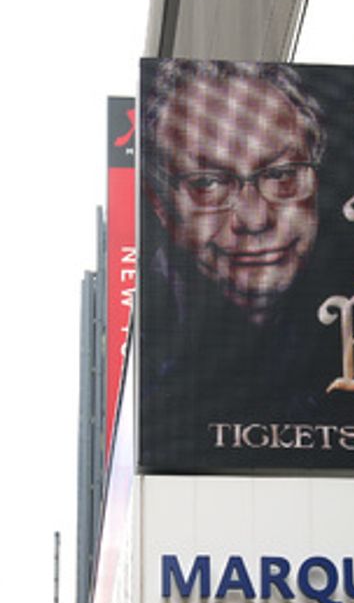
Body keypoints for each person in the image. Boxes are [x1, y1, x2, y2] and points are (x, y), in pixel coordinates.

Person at [139, 59, 329, 462]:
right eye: (207, 184)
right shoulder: (154, 374)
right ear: (160, 205)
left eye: (282, 175)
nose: (255, 218)